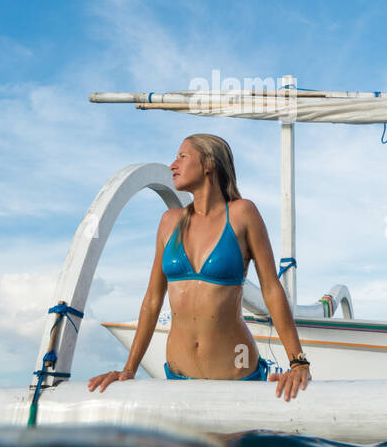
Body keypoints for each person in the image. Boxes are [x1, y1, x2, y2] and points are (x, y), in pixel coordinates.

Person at [88, 133, 312, 400]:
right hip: (178, 378)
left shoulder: (242, 213)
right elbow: (152, 299)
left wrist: (298, 362)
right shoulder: (169, 222)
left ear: (209, 163)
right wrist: (129, 369)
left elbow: (271, 289)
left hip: (237, 377)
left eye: (182, 156)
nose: (172, 165)